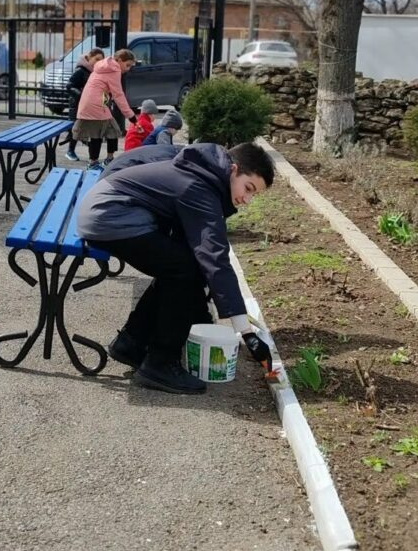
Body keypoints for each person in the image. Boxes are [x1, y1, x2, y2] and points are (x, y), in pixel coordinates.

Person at [76, 142, 276, 394]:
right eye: (248, 188)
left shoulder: (201, 167)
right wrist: (247, 333)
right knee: (185, 271)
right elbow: (215, 256)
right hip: (112, 216)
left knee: (182, 265)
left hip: (108, 209)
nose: (247, 199)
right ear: (233, 169)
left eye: (253, 195)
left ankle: (131, 342)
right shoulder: (199, 186)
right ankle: (160, 363)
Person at [72, 49, 138, 169]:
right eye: (127, 65)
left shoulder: (104, 66)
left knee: (111, 130)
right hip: (95, 105)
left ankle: (106, 159)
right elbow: (118, 95)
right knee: (99, 133)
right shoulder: (114, 69)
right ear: (118, 60)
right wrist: (132, 117)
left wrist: (107, 103)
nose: (128, 69)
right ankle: (94, 163)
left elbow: (104, 90)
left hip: (90, 103)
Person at [64, 48, 105, 162]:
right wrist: (82, 95)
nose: (98, 62)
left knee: (88, 127)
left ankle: (91, 153)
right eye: (96, 59)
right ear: (89, 57)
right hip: (77, 104)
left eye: (101, 60)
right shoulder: (81, 70)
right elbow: (69, 86)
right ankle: (70, 151)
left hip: (90, 105)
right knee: (76, 128)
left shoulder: (95, 71)